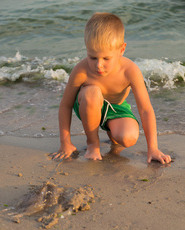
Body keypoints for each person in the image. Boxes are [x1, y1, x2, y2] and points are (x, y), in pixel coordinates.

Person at [52, 12, 171, 164]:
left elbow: (145, 109)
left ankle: (111, 130)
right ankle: (93, 144)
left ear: (121, 50)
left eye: (106, 58)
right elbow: (65, 105)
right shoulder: (81, 70)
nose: (98, 65)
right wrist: (65, 142)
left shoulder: (130, 71)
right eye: (92, 57)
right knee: (92, 92)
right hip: (88, 104)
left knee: (128, 138)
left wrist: (153, 148)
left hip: (116, 108)